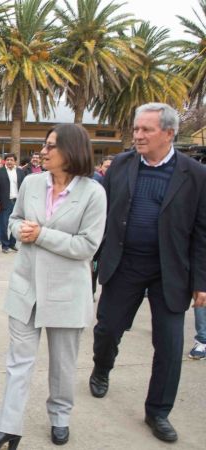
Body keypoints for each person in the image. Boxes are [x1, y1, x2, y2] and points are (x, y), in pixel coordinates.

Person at [0, 124, 107, 449]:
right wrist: (18, 228)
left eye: (52, 146)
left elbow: (87, 247)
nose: (44, 151)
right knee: (18, 363)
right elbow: (14, 218)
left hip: (67, 293)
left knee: (63, 365)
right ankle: (9, 427)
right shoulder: (33, 183)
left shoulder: (93, 193)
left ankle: (60, 417)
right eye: (44, 145)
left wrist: (41, 235)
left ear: (72, 151)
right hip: (25, 290)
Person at [89, 103, 206, 443]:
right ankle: (102, 368)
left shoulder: (195, 175)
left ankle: (158, 411)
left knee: (169, 346)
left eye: (146, 130)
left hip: (170, 272)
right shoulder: (121, 165)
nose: (138, 135)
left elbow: (202, 232)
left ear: (168, 133)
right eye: (136, 129)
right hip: (124, 265)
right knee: (108, 329)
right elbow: (104, 216)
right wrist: (93, 261)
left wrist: (201, 281)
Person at [0, 153, 26, 254]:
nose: (9, 162)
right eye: (7, 160)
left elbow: (24, 187)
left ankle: (12, 243)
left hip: (17, 202)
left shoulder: (20, 172)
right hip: (4, 202)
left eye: (11, 160)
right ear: (5, 161)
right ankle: (5, 245)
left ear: (15, 161)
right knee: (4, 224)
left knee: (16, 224)